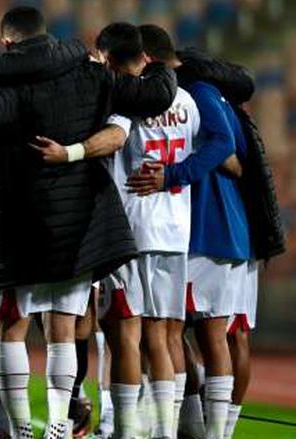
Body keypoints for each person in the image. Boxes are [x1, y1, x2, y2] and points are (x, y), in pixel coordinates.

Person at [0, 5, 178, 437]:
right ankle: (58, 425)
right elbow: (155, 95)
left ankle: (21, 428)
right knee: (62, 327)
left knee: (10, 325)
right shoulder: (90, 72)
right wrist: (164, 65)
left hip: (15, 221)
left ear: (8, 41)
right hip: (76, 223)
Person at [129, 24, 251, 439]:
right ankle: (195, 428)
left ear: (146, 58)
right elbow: (236, 155)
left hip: (208, 229)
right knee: (187, 332)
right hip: (214, 228)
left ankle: (209, 432)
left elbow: (226, 147)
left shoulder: (194, 92)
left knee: (197, 333)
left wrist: (173, 175)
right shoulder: (204, 91)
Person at [93, 22, 200, 439]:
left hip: (133, 229)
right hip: (175, 229)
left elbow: (113, 141)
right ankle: (165, 432)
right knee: (165, 334)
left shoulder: (126, 100)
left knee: (124, 333)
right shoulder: (187, 101)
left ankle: (123, 428)